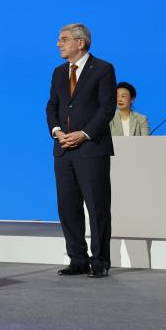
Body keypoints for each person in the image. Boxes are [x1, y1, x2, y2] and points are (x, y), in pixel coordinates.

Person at [45, 23, 117, 278]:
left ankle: (100, 261)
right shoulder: (58, 72)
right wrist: (57, 131)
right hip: (63, 149)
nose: (58, 44)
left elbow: (106, 108)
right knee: (67, 206)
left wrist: (84, 134)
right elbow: (52, 106)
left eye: (63, 39)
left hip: (91, 148)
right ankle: (77, 259)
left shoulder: (103, 69)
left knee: (97, 207)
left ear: (80, 42)